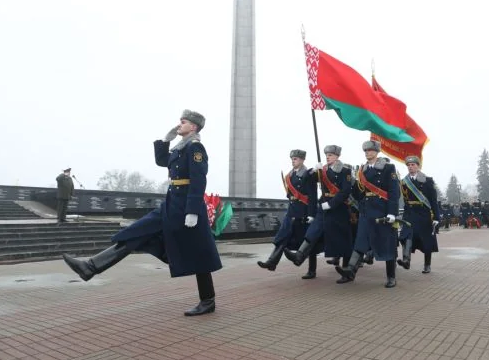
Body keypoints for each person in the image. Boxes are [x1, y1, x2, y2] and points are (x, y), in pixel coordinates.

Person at [62, 109, 222, 317]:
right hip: (171, 203)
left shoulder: (195, 148)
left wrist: (192, 211)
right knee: (136, 232)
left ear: (193, 127)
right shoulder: (181, 148)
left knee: (199, 252)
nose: (178, 125)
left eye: (182, 122)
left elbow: (199, 180)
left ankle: (207, 300)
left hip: (186, 207)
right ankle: (90, 267)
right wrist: (165, 140)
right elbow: (162, 161)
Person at [335, 140, 400, 288]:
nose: (367, 153)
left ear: (377, 152)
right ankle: (350, 271)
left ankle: (391, 277)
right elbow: (360, 194)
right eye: (366, 151)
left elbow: (393, 192)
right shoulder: (362, 170)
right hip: (366, 211)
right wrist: (352, 183)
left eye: (370, 150)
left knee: (387, 244)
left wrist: (392, 213)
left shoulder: (388, 168)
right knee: (361, 242)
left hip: (382, 211)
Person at [285, 145, 354, 276]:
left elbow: (345, 191)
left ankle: (346, 269)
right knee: (313, 230)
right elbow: (307, 180)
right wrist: (312, 171)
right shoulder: (323, 170)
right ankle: (299, 255)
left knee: (343, 238)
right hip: (323, 206)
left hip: (339, 207)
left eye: (331, 155)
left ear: (337, 156)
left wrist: (331, 204)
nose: (328, 157)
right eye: (327, 155)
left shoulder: (345, 170)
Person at [258, 150, 318, 272]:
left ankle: (312, 270)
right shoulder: (289, 176)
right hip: (292, 212)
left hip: (304, 212)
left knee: (308, 241)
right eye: (292, 159)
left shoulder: (309, 174)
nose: (293, 161)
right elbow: (289, 195)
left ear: (302, 160)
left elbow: (312, 195)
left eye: (295, 159)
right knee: (282, 237)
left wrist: (312, 214)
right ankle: (271, 262)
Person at [397, 156, 441, 274]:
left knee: (426, 240)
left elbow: (433, 201)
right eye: (409, 165)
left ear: (418, 166)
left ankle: (427, 265)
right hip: (409, 213)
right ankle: (406, 260)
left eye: (413, 165)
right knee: (405, 236)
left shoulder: (427, 180)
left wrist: (436, 217)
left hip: (423, 214)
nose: (410, 167)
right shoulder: (404, 182)